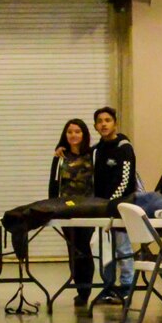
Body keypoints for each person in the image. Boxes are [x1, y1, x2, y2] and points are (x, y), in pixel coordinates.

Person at [92, 106, 138, 306]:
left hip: (120, 206)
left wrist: (112, 202)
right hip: (101, 208)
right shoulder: (96, 151)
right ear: (95, 126)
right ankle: (108, 286)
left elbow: (125, 180)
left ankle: (127, 286)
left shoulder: (124, 147)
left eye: (107, 120)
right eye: (100, 121)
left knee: (122, 246)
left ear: (115, 123)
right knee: (104, 248)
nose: (104, 124)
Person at [49, 118, 97, 308]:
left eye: (77, 132)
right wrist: (52, 207)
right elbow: (53, 184)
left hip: (87, 208)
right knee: (73, 249)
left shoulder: (92, 155)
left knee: (84, 247)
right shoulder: (60, 157)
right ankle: (79, 288)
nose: (73, 135)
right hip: (66, 208)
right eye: (70, 132)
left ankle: (86, 290)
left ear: (84, 135)